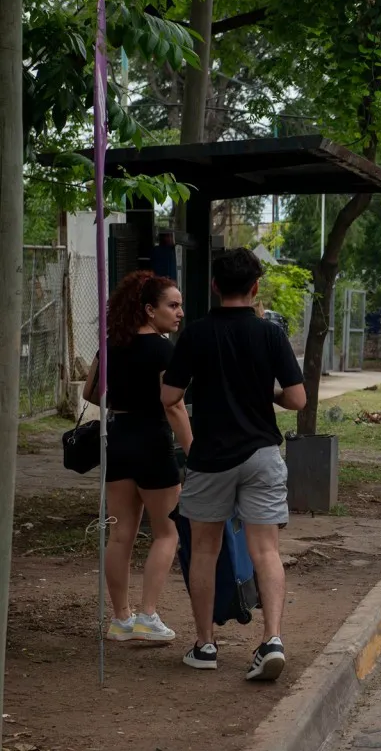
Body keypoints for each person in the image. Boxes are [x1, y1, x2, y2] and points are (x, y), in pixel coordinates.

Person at [161, 248, 307, 681]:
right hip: (262, 454)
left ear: (214, 286)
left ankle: (205, 645)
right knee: (266, 550)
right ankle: (273, 640)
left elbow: (170, 397)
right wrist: (269, 396)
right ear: (256, 287)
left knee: (204, 550)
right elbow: (297, 399)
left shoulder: (196, 334)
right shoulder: (270, 334)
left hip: (211, 457)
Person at [84, 270, 191, 644]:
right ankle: (148, 615)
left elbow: (89, 392)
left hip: (118, 438)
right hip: (152, 441)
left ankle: (120, 619)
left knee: (120, 535)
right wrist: (193, 448)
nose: (179, 313)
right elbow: (173, 405)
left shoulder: (112, 343)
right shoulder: (164, 350)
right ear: (149, 309)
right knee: (167, 531)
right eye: (172, 305)